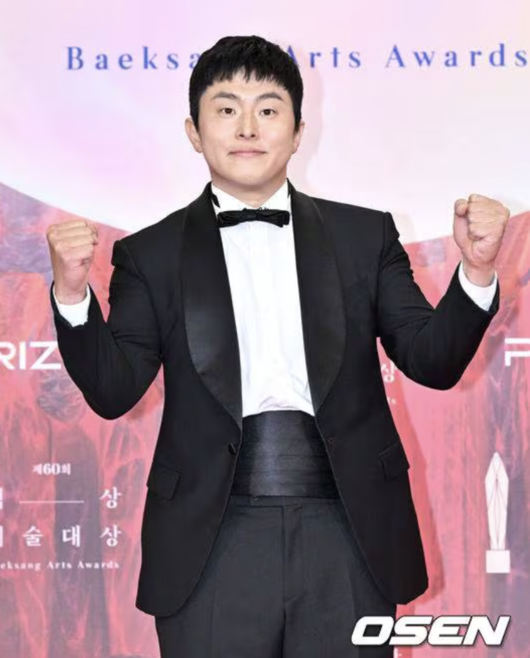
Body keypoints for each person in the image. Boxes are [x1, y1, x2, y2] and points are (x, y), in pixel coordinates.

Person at [46, 35, 509, 658]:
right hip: (210, 539)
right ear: (193, 131)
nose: (247, 127)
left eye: (267, 109)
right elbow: (112, 390)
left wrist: (475, 271)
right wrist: (72, 293)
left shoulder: (363, 236)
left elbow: (434, 359)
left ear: (297, 133)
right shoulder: (150, 254)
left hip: (347, 528)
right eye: (226, 108)